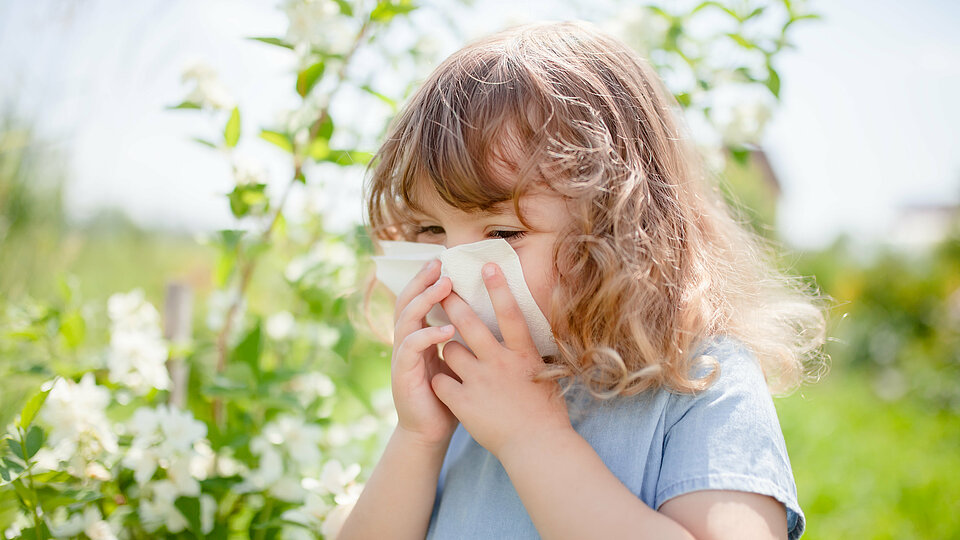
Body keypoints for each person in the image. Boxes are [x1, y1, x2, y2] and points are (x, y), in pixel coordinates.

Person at [340, 20, 828, 540]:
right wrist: (419, 438)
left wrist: (531, 437)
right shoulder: (460, 396)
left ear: (621, 229)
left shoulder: (701, 380)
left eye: (504, 232)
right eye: (429, 229)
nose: (453, 269)